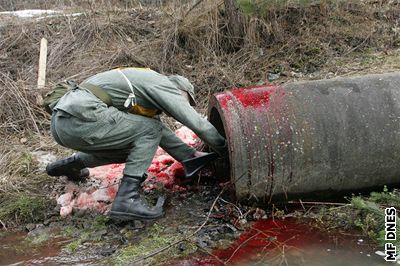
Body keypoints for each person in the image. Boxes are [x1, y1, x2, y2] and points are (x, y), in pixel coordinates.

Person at [46, 67, 227, 221]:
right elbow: (196, 124)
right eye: (187, 101)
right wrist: (227, 150)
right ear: (181, 91)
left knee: (133, 149)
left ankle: (71, 165)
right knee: (149, 130)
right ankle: (127, 200)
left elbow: (157, 129)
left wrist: (190, 156)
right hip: (81, 117)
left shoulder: (142, 88)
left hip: (62, 124)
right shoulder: (162, 85)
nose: (184, 105)